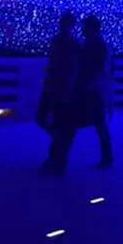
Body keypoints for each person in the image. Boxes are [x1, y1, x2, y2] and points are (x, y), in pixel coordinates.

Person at [49, 15, 114, 170]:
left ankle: (60, 160)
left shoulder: (98, 46)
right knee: (81, 124)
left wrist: (91, 85)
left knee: (80, 125)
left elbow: (102, 69)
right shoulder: (89, 45)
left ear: (91, 29)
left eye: (84, 27)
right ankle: (61, 159)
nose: (81, 29)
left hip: (91, 92)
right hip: (86, 90)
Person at [39, 13, 81, 172]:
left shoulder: (72, 44)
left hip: (62, 86)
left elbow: (74, 66)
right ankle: (58, 150)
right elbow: (53, 62)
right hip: (53, 84)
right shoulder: (57, 40)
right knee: (43, 118)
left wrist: (70, 86)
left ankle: (57, 157)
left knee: (59, 121)